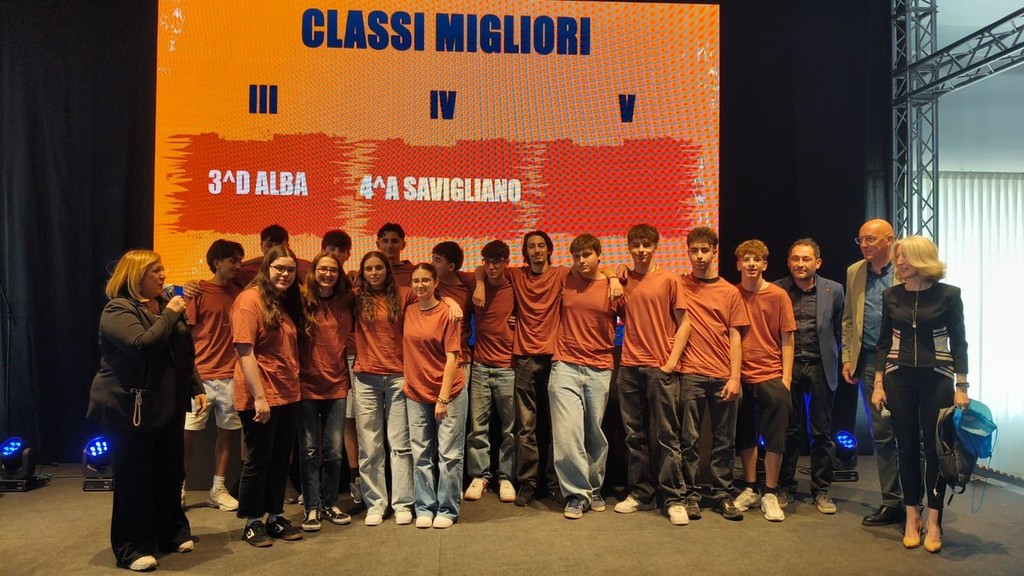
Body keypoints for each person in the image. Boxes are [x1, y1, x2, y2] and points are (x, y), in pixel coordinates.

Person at [88, 249, 208, 571]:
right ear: (136, 275)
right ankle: (132, 547)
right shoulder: (118, 309)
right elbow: (142, 345)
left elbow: (183, 352)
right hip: (129, 407)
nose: (163, 275)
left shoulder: (164, 305)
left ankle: (170, 533)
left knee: (169, 472)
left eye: (163, 269)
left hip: (167, 403)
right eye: (156, 270)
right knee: (135, 478)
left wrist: (196, 388)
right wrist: (170, 314)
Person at [871, 236, 969, 553]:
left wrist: (962, 386)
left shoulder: (949, 295)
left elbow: (959, 342)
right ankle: (912, 516)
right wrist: (878, 383)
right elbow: (883, 343)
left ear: (923, 259)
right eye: (898, 257)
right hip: (898, 377)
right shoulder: (891, 295)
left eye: (906, 257)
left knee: (936, 448)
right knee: (907, 447)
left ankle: (935, 520)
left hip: (938, 377)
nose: (899, 262)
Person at [473, 230, 570, 507]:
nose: (536, 250)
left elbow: (601, 270)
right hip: (524, 358)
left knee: (557, 425)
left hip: (555, 358)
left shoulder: (561, 274)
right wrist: (479, 284)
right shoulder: (517, 275)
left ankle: (555, 483)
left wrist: (614, 277)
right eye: (531, 247)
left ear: (549, 249)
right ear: (525, 252)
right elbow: (483, 267)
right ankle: (528, 482)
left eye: (541, 246)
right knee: (525, 427)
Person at [613, 224, 691, 525]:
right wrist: (614, 275)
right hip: (629, 367)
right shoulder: (624, 280)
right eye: (636, 245)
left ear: (656, 247)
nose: (641, 250)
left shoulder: (669, 279)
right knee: (635, 436)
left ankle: (673, 498)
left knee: (668, 435)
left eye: (646, 245)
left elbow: (684, 324)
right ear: (629, 247)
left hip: (660, 367)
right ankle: (641, 494)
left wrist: (670, 363)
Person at [232, 245, 304, 547]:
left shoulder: (283, 301)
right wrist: (259, 397)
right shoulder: (249, 300)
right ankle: (252, 522)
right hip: (261, 396)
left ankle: (275, 516)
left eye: (290, 270)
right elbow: (244, 351)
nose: (285, 274)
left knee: (279, 459)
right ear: (267, 268)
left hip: (287, 394)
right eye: (279, 268)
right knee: (258, 460)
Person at [548, 234, 624, 520]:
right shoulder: (566, 279)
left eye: (587, 255)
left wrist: (613, 276)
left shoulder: (613, 287)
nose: (581, 261)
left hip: (599, 367)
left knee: (594, 433)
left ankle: (593, 488)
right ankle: (577, 494)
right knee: (568, 433)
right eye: (577, 256)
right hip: (565, 364)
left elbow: (634, 318)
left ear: (598, 255)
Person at [677, 227, 749, 521]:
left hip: (722, 375)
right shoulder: (679, 284)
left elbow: (735, 336)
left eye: (704, 250)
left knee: (724, 441)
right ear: (687, 252)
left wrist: (735, 377)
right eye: (694, 250)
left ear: (714, 252)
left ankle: (722, 494)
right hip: (690, 373)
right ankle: (690, 495)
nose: (699, 256)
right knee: (689, 440)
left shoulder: (730, 292)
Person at [841, 218, 905, 526]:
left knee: (913, 433)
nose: (864, 245)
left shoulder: (906, 268)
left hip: (904, 361)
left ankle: (917, 501)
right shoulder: (855, 271)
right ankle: (892, 502)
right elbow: (849, 319)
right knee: (882, 433)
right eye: (861, 240)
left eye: (870, 239)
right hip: (867, 360)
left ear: (889, 240)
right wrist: (847, 357)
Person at [773, 238, 844, 514]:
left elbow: (839, 329)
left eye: (806, 259)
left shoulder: (834, 290)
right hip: (787, 368)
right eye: (795, 258)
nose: (800, 264)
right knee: (788, 430)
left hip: (820, 366)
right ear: (788, 262)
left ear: (818, 262)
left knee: (821, 431)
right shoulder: (777, 289)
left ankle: (821, 490)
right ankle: (785, 486)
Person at [731, 239, 796, 522]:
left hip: (771, 375)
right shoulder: (732, 294)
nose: (751, 264)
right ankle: (750, 487)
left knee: (775, 437)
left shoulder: (779, 295)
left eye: (756, 259)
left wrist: (786, 379)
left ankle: (770, 491)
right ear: (738, 264)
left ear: (765, 264)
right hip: (740, 376)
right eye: (746, 259)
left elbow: (787, 338)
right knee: (744, 434)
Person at [352, 251, 417, 526]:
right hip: (365, 378)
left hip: (398, 376)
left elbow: (433, 300)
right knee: (369, 446)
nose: (374, 273)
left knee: (400, 445)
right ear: (362, 272)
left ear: (387, 270)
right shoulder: (355, 297)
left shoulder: (405, 294)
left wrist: (450, 302)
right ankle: (376, 504)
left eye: (379, 268)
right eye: (369, 269)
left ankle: (403, 503)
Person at [403, 264, 468, 529]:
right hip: (416, 392)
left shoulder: (448, 313)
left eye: (426, 280)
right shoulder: (408, 310)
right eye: (416, 281)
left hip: (448, 392)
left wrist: (442, 399)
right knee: (421, 454)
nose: (420, 285)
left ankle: (447, 508)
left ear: (436, 282)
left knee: (449, 455)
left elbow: (453, 357)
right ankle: (424, 507)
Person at [182, 239, 244, 512]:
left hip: (231, 375)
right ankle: (178, 487)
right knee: (187, 436)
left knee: (227, 435)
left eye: (240, 260)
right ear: (217, 262)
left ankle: (217, 489)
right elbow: (184, 334)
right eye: (233, 260)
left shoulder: (240, 292)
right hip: (201, 378)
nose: (238, 265)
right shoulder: (197, 291)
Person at [297, 252, 355, 531]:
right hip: (306, 385)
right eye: (323, 269)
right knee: (308, 450)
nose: (328, 274)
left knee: (333, 451)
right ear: (314, 271)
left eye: (333, 270)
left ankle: (330, 503)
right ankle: (311, 508)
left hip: (336, 385)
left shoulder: (347, 299)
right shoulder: (299, 298)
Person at [464, 241, 518, 503]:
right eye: (487, 261)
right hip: (480, 365)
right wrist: (480, 282)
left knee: (510, 429)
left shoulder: (515, 283)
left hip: (508, 366)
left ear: (506, 262)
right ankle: (480, 476)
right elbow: (472, 271)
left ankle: (506, 477)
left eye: (497, 262)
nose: (492, 267)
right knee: (477, 427)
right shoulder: (478, 281)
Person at [321, 230, 364, 506]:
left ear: (348, 254)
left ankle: (360, 478)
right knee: (338, 422)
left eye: (341, 250)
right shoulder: (312, 286)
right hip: (327, 361)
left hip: (358, 358)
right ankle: (338, 481)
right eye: (331, 249)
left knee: (357, 420)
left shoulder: (353, 286)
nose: (336, 255)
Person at [236, 224, 311, 288]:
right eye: (269, 245)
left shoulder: (306, 268)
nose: (274, 250)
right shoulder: (246, 272)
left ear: (287, 246)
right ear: (261, 246)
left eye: (279, 245)